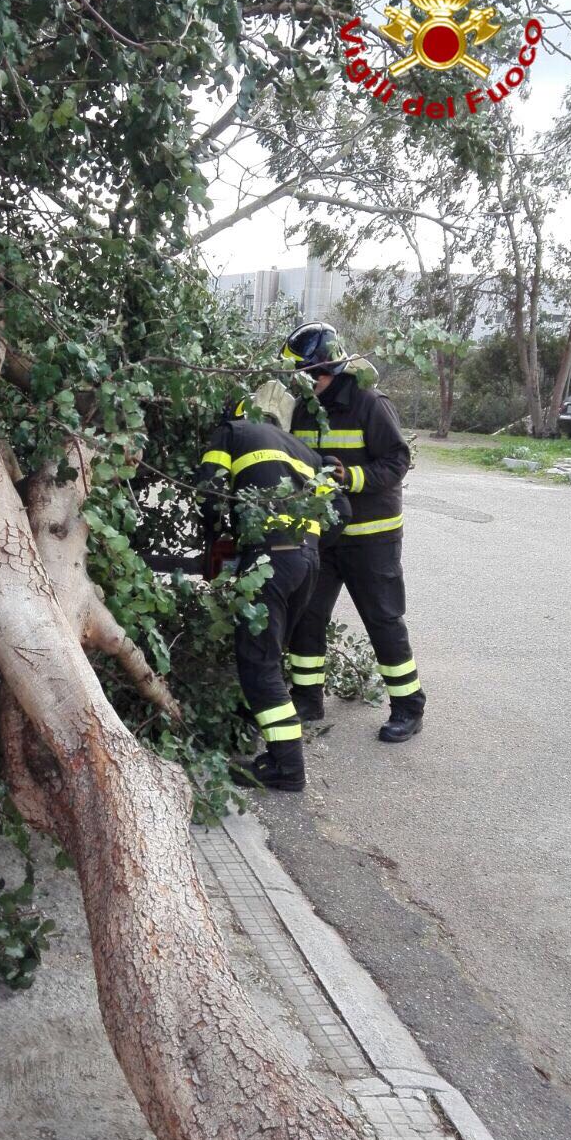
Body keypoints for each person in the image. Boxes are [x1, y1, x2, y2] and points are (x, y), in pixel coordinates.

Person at [196, 379, 343, 792]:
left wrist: (217, 538)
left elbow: (208, 494)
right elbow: (341, 512)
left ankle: (288, 767)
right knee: (269, 654)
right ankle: (269, 741)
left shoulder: (231, 432)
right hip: (307, 562)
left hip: (270, 559)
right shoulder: (304, 452)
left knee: (258, 662)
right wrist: (306, 545)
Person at [283, 321, 425, 743]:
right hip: (323, 536)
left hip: (371, 538)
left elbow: (397, 461)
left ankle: (408, 706)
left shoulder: (369, 404)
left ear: (326, 368)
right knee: (307, 616)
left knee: (383, 619)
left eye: (307, 373)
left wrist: (352, 477)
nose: (301, 381)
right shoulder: (303, 407)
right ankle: (307, 698)